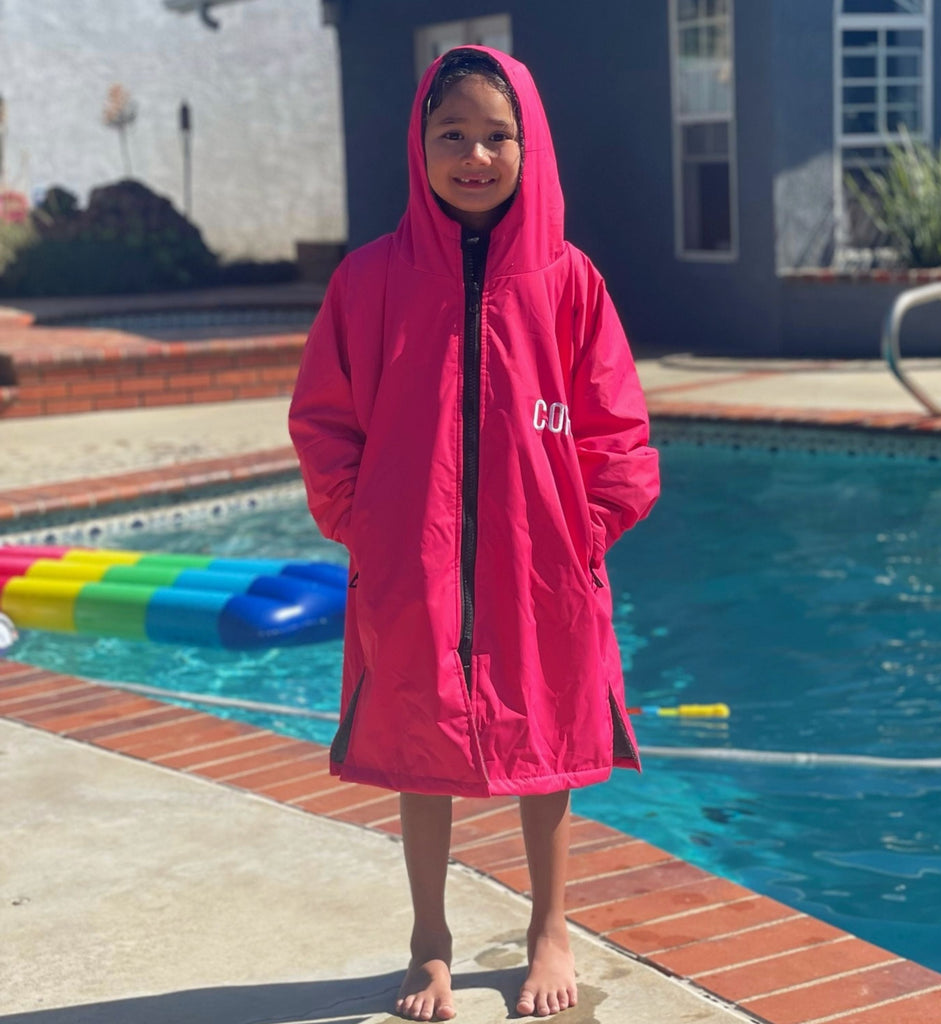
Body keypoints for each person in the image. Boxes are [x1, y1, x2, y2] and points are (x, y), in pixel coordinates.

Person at [288, 45, 660, 1021]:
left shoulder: (569, 282)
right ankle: (429, 938)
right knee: (420, 742)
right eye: (452, 133)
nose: (475, 155)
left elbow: (617, 431)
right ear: (419, 147)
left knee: (548, 739)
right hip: (411, 562)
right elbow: (323, 419)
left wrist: (582, 530)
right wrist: (365, 522)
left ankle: (550, 925)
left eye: (497, 135)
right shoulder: (370, 281)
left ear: (529, 146)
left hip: (541, 567)